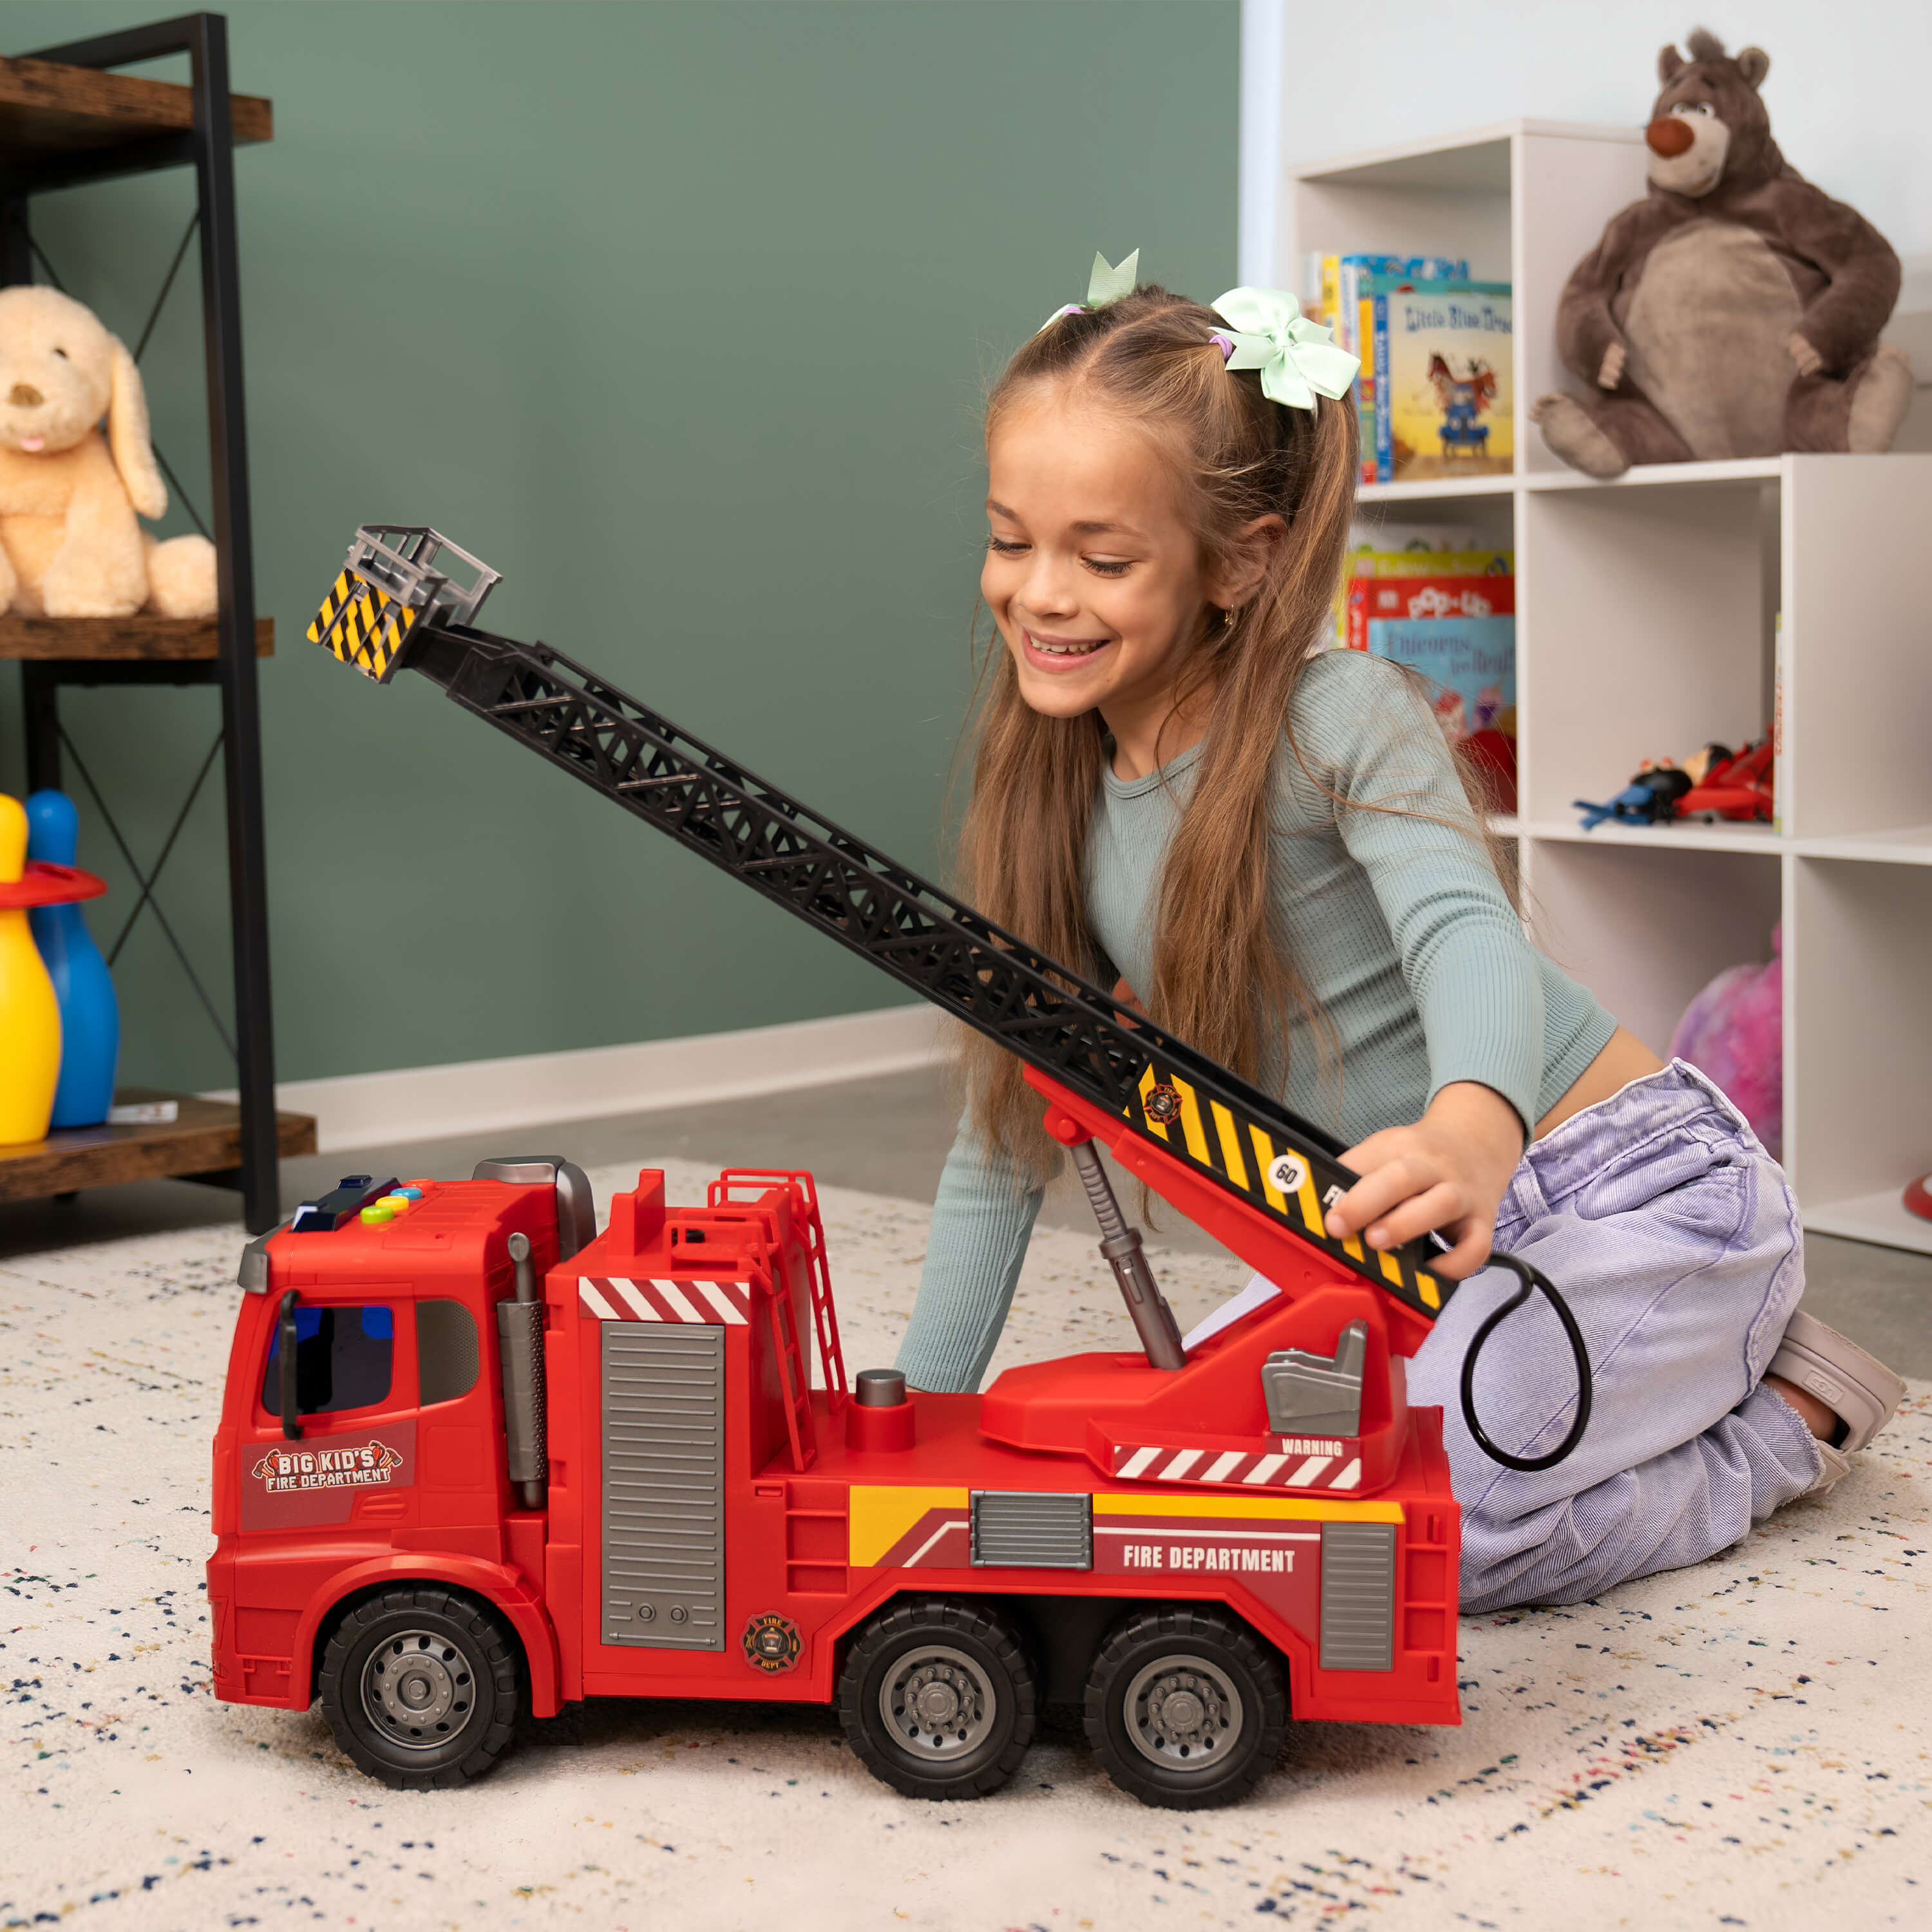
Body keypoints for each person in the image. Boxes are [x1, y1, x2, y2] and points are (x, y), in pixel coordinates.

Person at [893, 258, 1905, 1613]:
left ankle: (1786, 1421)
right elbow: (1004, 1141)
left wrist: (1475, 1127)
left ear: (1241, 563)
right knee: (1197, 1486)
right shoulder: (1062, 802)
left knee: (1403, 1539)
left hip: (1634, 1195)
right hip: (1390, 1256)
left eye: (1105, 556)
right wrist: (903, 1424)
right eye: (1012, 540)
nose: (1039, 593)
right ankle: (1636, 1385)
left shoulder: (1341, 713)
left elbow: (1464, 938)